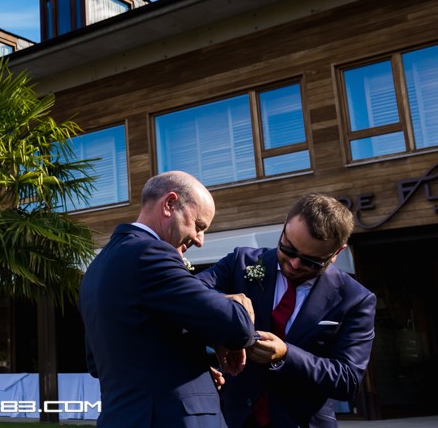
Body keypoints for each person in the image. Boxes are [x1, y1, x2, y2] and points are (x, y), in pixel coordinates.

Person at [79, 171, 257, 427]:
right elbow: (237, 327)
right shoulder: (150, 253)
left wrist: (190, 370)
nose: (199, 240)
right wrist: (236, 302)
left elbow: (98, 363)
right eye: (199, 226)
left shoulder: (95, 269)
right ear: (169, 204)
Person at [197, 194, 376, 428]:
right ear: (284, 229)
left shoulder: (356, 299)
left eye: (311, 261)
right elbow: (188, 292)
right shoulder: (242, 262)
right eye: (288, 249)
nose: (294, 264)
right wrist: (223, 306)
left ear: (337, 253)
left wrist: (286, 355)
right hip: (234, 419)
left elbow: (348, 381)